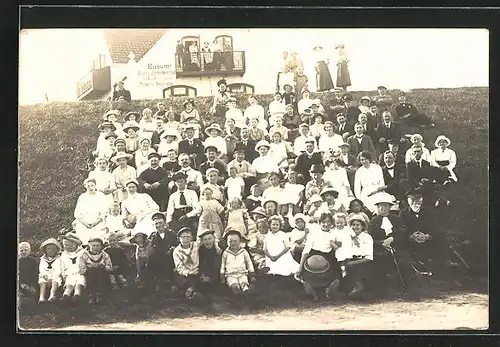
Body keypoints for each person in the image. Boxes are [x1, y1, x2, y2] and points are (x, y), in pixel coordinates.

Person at [367, 192, 412, 292]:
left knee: (403, 260)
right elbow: (370, 238)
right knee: (380, 261)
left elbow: (402, 233)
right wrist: (382, 243)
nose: (383, 208)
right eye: (380, 206)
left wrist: (392, 239)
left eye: (386, 206)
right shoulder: (374, 221)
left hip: (397, 246)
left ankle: (404, 285)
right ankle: (382, 287)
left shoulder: (396, 219)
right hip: (379, 249)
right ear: (377, 208)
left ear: (389, 207)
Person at [399, 188, 448, 276]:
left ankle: (437, 275)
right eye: (412, 201)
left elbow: (437, 228)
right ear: (407, 201)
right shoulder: (403, 214)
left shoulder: (430, 212)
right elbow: (401, 230)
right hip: (411, 244)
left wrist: (427, 236)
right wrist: (411, 236)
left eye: (418, 200)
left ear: (422, 200)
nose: (415, 203)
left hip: (428, 242)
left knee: (441, 244)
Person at [297, 213, 343, 301]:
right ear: (319, 222)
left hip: (329, 256)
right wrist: (300, 268)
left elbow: (338, 246)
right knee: (310, 272)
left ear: (331, 222)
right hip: (313, 255)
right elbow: (306, 251)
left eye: (328, 222)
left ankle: (327, 291)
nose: (326, 224)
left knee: (335, 274)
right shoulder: (313, 234)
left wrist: (337, 244)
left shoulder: (334, 233)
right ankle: (313, 292)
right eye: (323, 222)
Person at [220, 229, 256, 303]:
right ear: (227, 242)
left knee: (244, 284)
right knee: (234, 285)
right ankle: (238, 297)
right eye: (230, 241)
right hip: (230, 275)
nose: (233, 243)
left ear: (240, 241)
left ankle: (247, 294)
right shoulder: (225, 253)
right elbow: (222, 265)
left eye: (235, 241)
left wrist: (252, 274)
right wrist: (222, 276)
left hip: (242, 273)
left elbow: (249, 263)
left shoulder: (244, 252)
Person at [343, 213, 374, 299]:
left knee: (356, 268)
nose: (355, 227)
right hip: (349, 259)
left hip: (363, 261)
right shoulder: (347, 237)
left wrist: (352, 263)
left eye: (358, 225)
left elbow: (369, 257)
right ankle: (355, 289)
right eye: (353, 225)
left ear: (362, 226)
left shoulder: (367, 237)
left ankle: (358, 288)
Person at [147, 212, 178, 292]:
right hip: (158, 266)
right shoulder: (152, 237)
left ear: (164, 223)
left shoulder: (172, 234)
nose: (158, 225)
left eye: (160, 223)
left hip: (172, 263)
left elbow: (178, 249)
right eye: (156, 224)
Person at [78, 237, 114, 304]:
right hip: (89, 274)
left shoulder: (104, 255)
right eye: (93, 245)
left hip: (102, 274)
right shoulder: (84, 255)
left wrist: (104, 267)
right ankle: (91, 295)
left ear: (101, 246)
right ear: (89, 246)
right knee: (92, 271)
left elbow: (110, 268)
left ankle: (100, 295)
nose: (96, 247)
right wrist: (90, 267)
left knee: (100, 271)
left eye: (98, 246)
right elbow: (81, 270)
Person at [73, 178, 108, 246]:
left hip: (97, 222)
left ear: (95, 186)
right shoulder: (82, 197)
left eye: (92, 185)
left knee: (97, 239)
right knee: (83, 239)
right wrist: (85, 223)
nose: (90, 187)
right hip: (84, 222)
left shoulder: (101, 196)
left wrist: (94, 223)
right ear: (85, 186)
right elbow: (77, 213)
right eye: (88, 186)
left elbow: (104, 212)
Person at [172, 227, 203, 301]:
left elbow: (208, 240)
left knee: (199, 281)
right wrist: (189, 272)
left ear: (192, 238)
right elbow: (179, 267)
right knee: (181, 280)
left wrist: (216, 246)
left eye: (188, 237)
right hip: (185, 273)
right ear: (179, 239)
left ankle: (192, 294)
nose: (185, 239)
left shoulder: (196, 245)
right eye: (183, 237)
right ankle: (186, 292)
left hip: (196, 270)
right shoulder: (177, 251)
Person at [60, 234, 86, 302]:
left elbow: (86, 263)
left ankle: (76, 296)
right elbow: (62, 265)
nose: (65, 247)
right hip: (69, 274)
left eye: (67, 245)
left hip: (80, 273)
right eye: (64, 245)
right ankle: (65, 297)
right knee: (69, 285)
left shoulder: (82, 252)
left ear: (74, 244)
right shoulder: (64, 254)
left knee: (79, 284)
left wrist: (84, 271)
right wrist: (63, 275)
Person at [37, 238, 62, 303]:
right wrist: (45, 276)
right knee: (42, 281)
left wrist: (52, 278)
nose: (51, 251)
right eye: (48, 249)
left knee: (56, 281)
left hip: (54, 275)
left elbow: (58, 269)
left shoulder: (59, 258)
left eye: (53, 249)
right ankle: (41, 297)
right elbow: (41, 269)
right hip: (45, 275)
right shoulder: (43, 259)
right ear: (45, 250)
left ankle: (52, 295)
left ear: (56, 250)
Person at [198, 229, 222, 294]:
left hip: (216, 276)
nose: (208, 241)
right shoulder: (201, 250)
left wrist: (211, 278)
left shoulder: (218, 249)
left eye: (209, 239)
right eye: (205, 240)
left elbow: (217, 266)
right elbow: (200, 264)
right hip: (205, 276)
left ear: (213, 239)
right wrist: (203, 275)